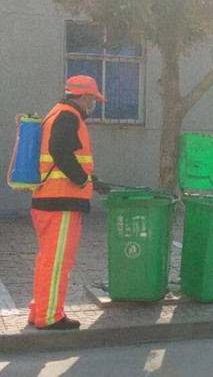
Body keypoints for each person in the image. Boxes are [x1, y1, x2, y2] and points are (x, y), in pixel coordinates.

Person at [29, 75, 111, 330]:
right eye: (93, 99)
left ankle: (39, 311)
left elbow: (63, 155)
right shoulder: (68, 116)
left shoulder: (56, 113)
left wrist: (92, 181)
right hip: (61, 202)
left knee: (47, 260)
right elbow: (60, 151)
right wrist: (82, 180)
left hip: (47, 199)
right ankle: (50, 316)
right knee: (58, 263)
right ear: (84, 97)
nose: (93, 104)